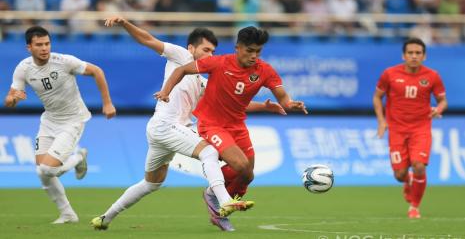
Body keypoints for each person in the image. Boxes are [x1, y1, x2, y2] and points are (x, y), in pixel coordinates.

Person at [92, 18, 285, 232]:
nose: (210, 55)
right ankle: (223, 201)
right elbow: (147, 39)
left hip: (168, 131)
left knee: (151, 184)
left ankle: (105, 218)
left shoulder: (201, 80)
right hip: (166, 126)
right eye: (206, 49)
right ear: (191, 47)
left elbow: (233, 102)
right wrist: (124, 23)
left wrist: (265, 106)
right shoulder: (181, 55)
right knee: (210, 151)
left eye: (213, 51)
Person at [155, 26, 308, 225]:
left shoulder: (265, 70)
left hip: (237, 125)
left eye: (258, 51)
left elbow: (284, 99)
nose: (254, 56)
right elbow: (182, 69)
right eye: (249, 51)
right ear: (238, 48)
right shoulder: (219, 63)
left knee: (248, 174)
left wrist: (290, 104)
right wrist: (165, 91)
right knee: (241, 165)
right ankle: (214, 195)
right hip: (212, 124)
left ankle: (219, 210)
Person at [4, 26, 116, 224]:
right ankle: (67, 214)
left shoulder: (64, 61)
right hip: (49, 120)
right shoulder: (23, 68)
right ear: (29, 47)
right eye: (39, 45)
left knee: (46, 170)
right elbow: (9, 99)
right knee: (43, 173)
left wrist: (107, 103)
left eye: (47, 43)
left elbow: (97, 71)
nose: (45, 48)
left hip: (73, 120)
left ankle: (79, 158)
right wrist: (14, 99)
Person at [373, 37, 447, 219]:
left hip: (420, 128)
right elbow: (377, 97)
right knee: (399, 174)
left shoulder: (432, 76)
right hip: (397, 129)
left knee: (419, 166)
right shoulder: (389, 74)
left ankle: (414, 207)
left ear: (424, 56)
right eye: (410, 53)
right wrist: (382, 121)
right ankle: (408, 180)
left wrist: (438, 109)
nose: (414, 56)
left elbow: (442, 101)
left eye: (418, 53)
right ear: (403, 55)